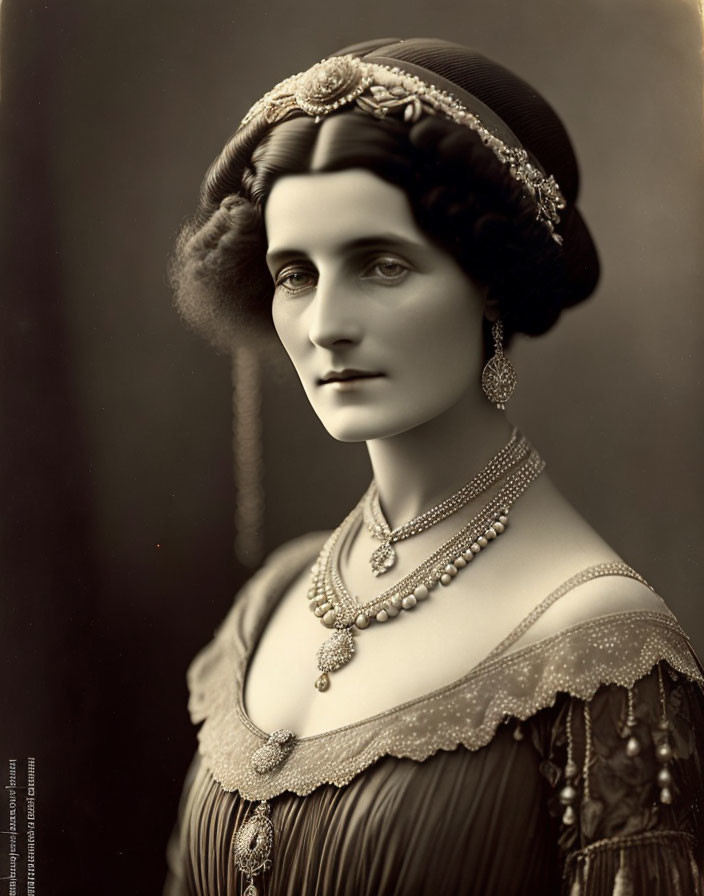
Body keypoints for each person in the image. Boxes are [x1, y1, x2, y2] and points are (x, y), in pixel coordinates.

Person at [164, 38, 704, 895]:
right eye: (295, 274)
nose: (326, 324)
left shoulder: (605, 652)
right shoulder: (272, 598)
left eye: (382, 265)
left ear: (488, 282)